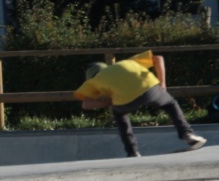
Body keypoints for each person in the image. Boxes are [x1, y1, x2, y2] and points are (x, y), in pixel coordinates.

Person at [73, 50, 207, 157]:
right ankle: (187, 134)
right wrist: (162, 84)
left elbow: (86, 104)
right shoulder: (127, 62)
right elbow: (158, 58)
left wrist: (110, 101)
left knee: (119, 114)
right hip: (149, 88)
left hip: (124, 101)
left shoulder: (93, 81)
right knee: (170, 104)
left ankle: (132, 152)